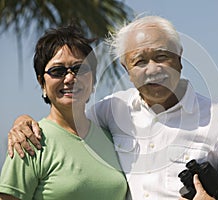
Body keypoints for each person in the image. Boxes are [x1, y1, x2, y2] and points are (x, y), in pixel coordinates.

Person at [6, 16, 218, 200]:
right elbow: (65, 121)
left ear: (179, 57)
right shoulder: (112, 110)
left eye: (161, 56)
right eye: (139, 61)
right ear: (126, 69)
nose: (152, 70)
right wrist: (23, 121)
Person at [0, 25, 128, 200]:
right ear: (42, 83)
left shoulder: (111, 137)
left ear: (93, 79)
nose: (69, 78)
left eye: (79, 69)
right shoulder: (28, 141)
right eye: (57, 71)